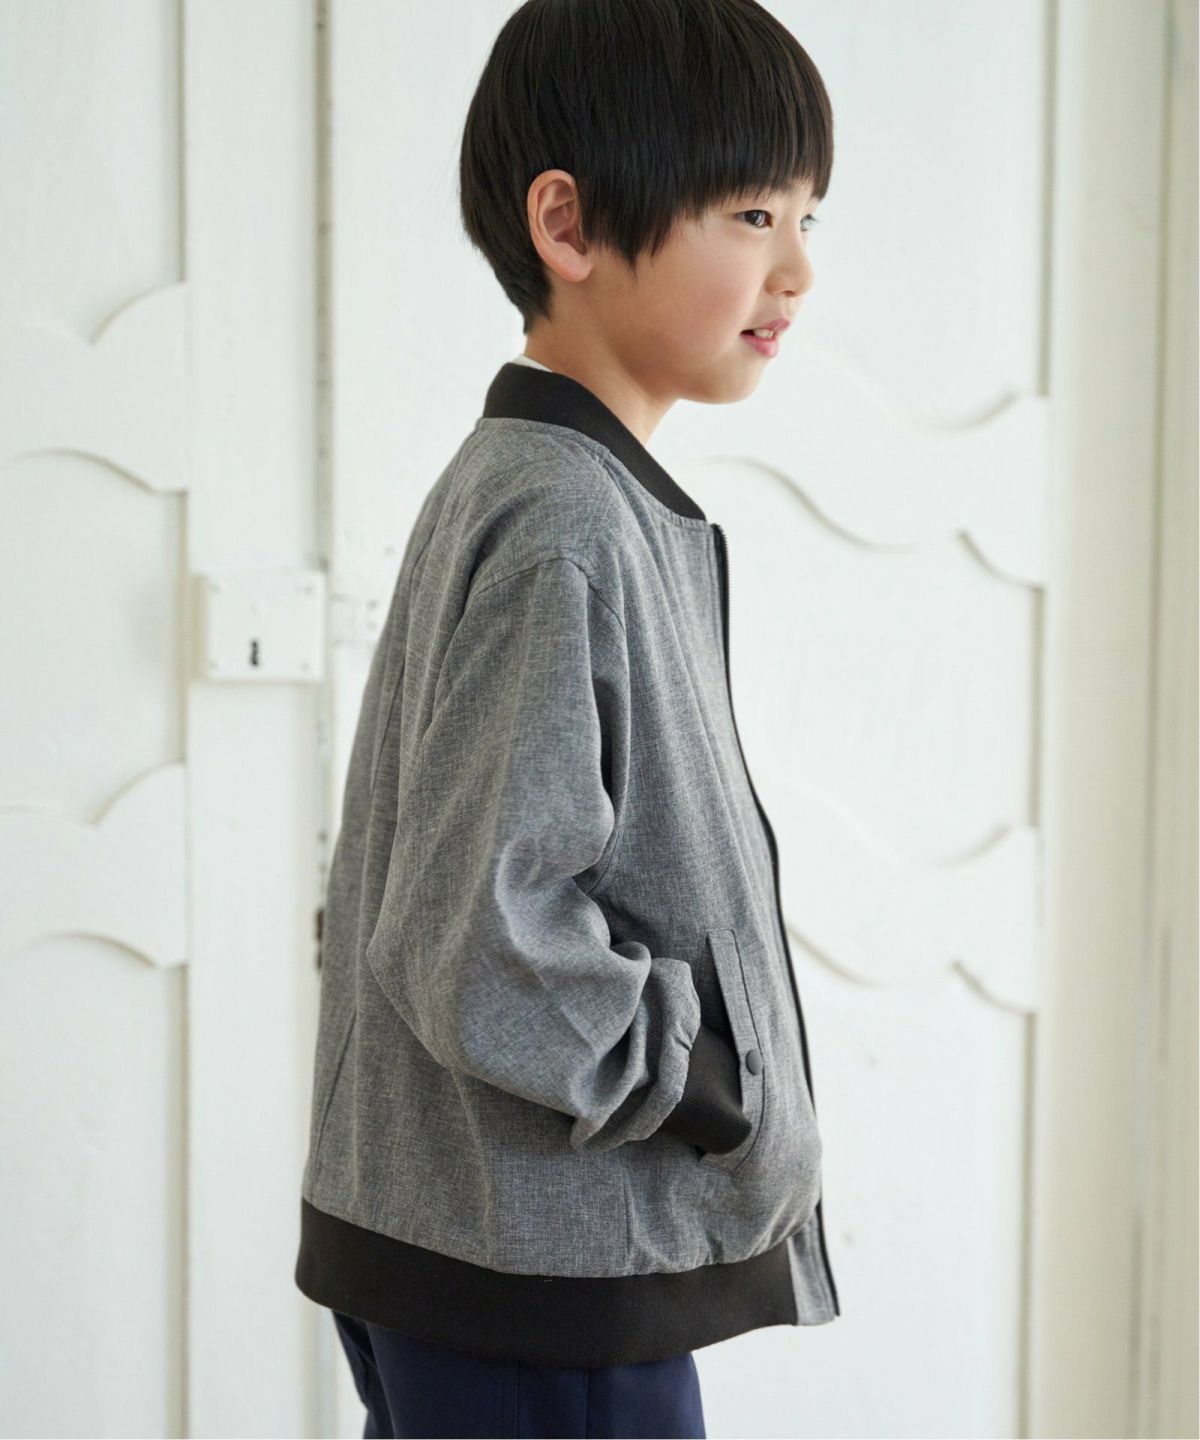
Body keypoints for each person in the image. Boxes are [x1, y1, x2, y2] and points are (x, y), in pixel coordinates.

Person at [294, 1, 839, 1434]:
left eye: (808, 218)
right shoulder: (561, 522)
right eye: (751, 213)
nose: (795, 268)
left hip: (488, 1254)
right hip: (542, 1274)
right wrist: (710, 1081)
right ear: (570, 223)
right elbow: (477, 933)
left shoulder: (545, 487)